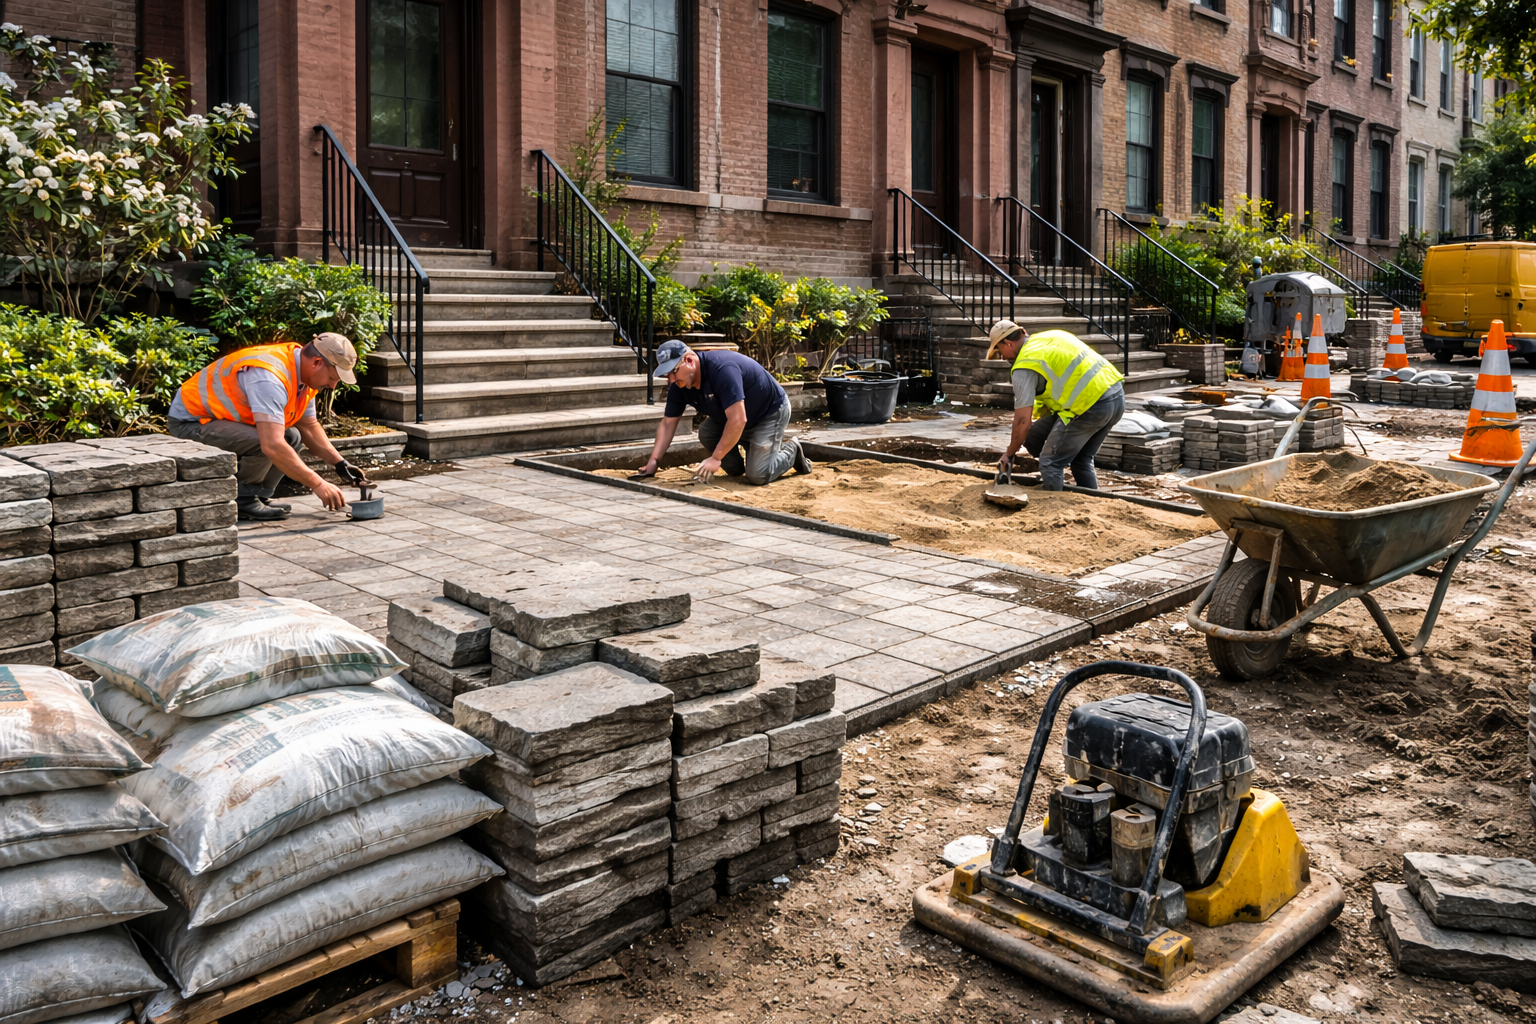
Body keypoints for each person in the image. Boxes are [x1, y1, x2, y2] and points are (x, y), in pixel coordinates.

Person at [167, 333, 370, 521]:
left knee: (293, 436)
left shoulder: (304, 378)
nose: (333, 386)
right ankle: (243, 500)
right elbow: (271, 445)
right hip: (192, 422)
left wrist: (340, 464)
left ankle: (258, 496)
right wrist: (318, 484)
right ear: (317, 362)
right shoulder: (269, 377)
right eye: (333, 378)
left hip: (219, 420)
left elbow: (308, 426)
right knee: (265, 442)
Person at [634, 339, 813, 485]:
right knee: (707, 433)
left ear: (689, 360)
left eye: (674, 372)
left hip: (768, 413)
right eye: (667, 375)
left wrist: (716, 458)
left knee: (758, 475)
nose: (671, 380)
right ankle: (740, 463)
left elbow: (738, 419)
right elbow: (667, 424)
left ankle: (793, 451)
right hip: (734, 418)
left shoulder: (722, 370)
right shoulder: (679, 387)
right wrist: (654, 461)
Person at [986, 319, 1125, 491]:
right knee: (1080, 458)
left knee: (1050, 462)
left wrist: (1009, 454)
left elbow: (1022, 422)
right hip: (1116, 397)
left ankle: (1052, 509)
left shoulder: (1024, 365)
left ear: (1008, 343)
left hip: (1089, 406)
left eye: (1000, 351)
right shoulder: (1051, 336)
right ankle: (1092, 502)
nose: (1003, 357)